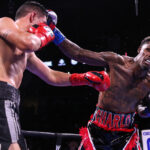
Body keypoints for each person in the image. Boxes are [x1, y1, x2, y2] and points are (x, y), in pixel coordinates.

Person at [0, 1, 110, 150]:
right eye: (44, 23)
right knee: (13, 147)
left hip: (10, 98)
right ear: (32, 16)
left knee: (17, 145)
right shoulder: (5, 22)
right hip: (3, 93)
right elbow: (29, 43)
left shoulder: (26, 52)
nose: (45, 27)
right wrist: (45, 34)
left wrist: (84, 77)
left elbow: (50, 75)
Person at [47, 10, 150, 150]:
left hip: (126, 135)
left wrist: (147, 110)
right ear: (139, 49)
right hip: (97, 132)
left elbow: (141, 110)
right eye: (148, 50)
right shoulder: (116, 62)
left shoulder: (148, 82)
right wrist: (52, 29)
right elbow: (78, 53)